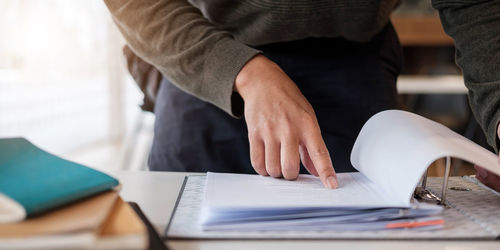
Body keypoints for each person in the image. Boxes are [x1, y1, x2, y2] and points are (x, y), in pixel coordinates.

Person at [104, 0, 500, 191]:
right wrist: (245, 72)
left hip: (351, 52)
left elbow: (476, 4)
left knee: (368, 222)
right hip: (206, 48)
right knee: (186, 219)